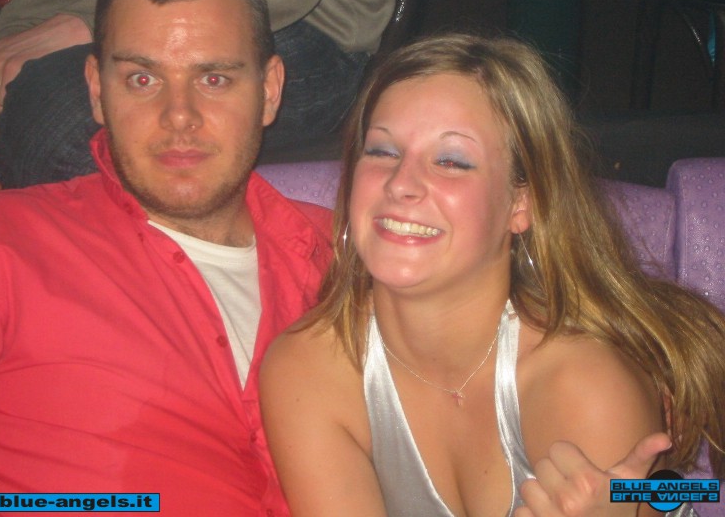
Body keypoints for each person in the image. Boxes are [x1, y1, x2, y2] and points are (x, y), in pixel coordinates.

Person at [0, 0, 334, 516]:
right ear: (96, 90)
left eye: (214, 79)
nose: (179, 116)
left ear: (269, 91)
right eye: (143, 79)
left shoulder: (347, 258)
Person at [260, 34, 725, 516]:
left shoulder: (584, 387)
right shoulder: (309, 370)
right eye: (382, 151)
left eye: (451, 161)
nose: (400, 184)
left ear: (521, 203)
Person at [0, 0, 400, 203]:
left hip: (296, 19)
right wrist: (5, 75)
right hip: (127, 10)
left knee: (63, 129)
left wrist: (88, 23)